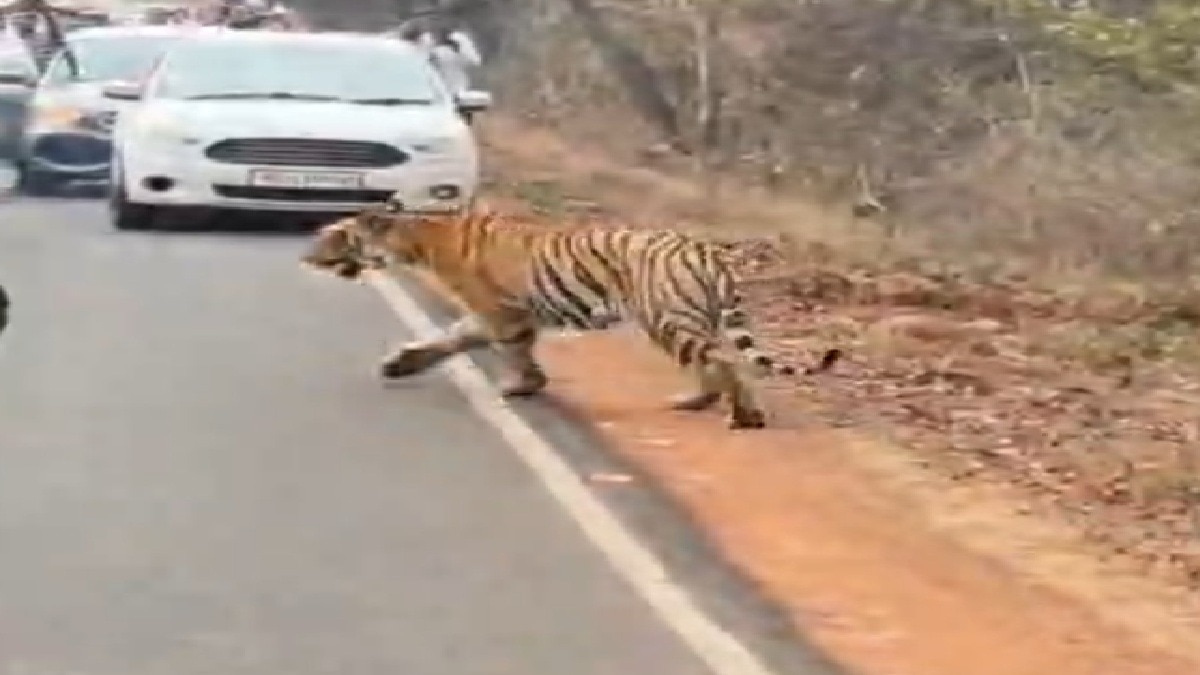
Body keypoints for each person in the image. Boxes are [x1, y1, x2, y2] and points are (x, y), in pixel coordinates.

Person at [0, 0, 82, 75]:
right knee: (45, 58)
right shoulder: (23, 7)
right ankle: (71, 71)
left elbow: (49, 10)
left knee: (61, 55)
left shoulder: (26, 7)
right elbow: (48, 10)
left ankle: (72, 71)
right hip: (40, 38)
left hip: (44, 38)